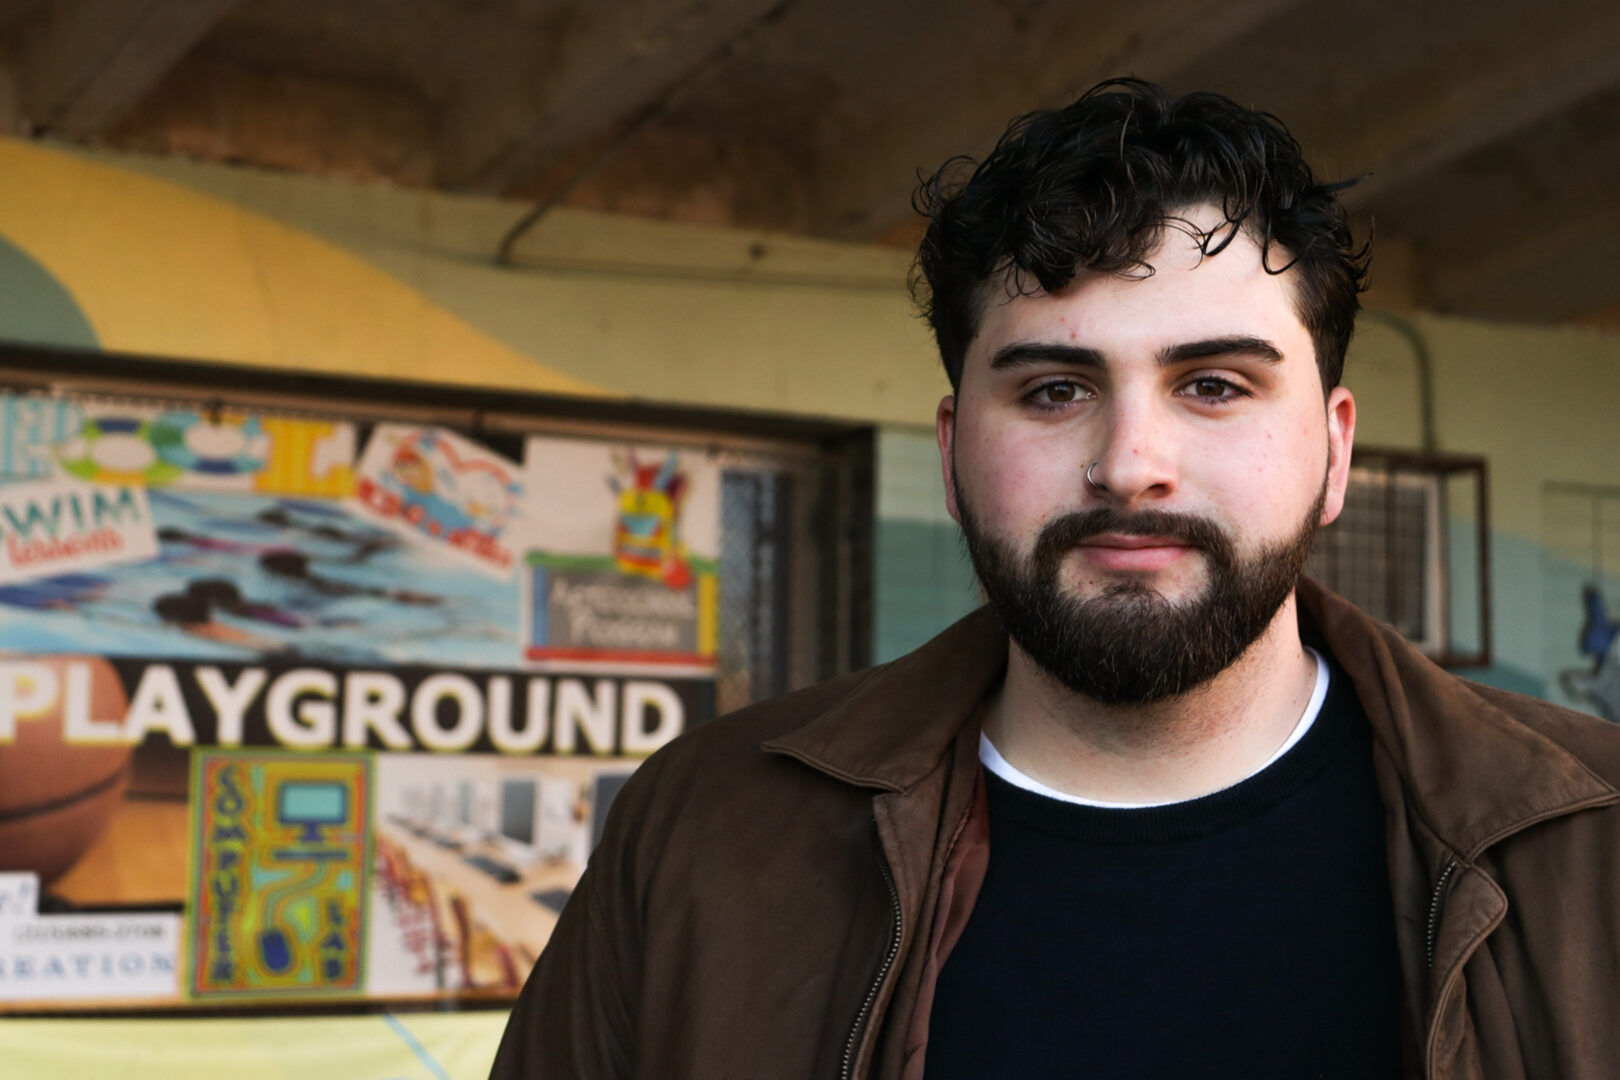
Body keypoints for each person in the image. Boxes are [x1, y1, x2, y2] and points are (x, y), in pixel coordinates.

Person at [489, 79, 1620, 1080]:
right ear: (951, 456)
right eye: (1053, 391)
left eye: (1215, 385)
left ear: (1335, 449)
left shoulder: (1592, 841)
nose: (1130, 464)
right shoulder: (702, 835)